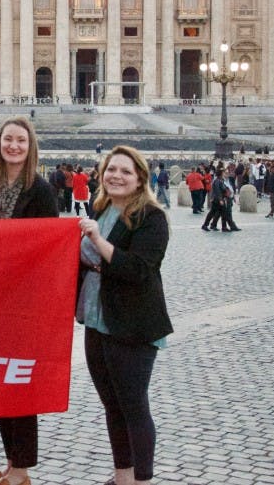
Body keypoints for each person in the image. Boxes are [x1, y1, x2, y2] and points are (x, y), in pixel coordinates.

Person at [78, 145, 172, 485]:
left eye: (125, 172)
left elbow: (139, 269)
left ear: (139, 179)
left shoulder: (151, 217)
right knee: (112, 406)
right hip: (96, 319)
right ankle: (123, 477)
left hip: (133, 323)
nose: (116, 176)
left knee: (133, 406)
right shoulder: (100, 207)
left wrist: (98, 241)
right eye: (111, 169)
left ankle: (142, 480)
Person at [0, 116, 57, 485]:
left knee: (19, 387)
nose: (13, 146)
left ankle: (22, 470)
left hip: (22, 303)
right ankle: (12, 465)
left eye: (20, 141)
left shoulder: (39, 189)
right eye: (8, 139)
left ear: (31, 146)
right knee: (0, 384)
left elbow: (47, 246)